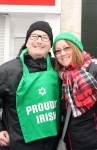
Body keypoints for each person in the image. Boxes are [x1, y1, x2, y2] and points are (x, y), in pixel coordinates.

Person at [52, 32, 97, 150]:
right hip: (69, 144)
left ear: (76, 48)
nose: (62, 53)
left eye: (66, 48)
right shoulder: (61, 75)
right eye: (58, 51)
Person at [0, 21, 62, 150]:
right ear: (27, 41)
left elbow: (78, 65)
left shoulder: (59, 68)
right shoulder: (7, 70)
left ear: (50, 44)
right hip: (18, 144)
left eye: (45, 37)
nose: (39, 41)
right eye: (34, 36)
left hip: (52, 144)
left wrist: (94, 64)